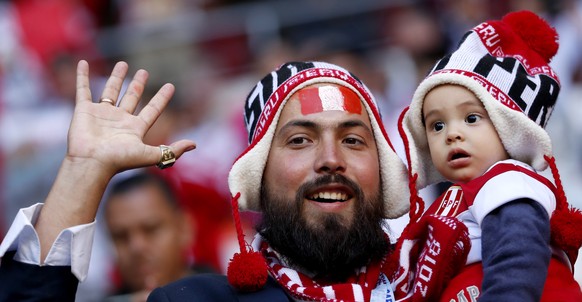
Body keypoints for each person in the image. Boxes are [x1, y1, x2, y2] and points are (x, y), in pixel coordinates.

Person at [0, 59, 411, 301]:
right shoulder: (193, 301)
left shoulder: (445, 279)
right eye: (300, 140)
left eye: (353, 140)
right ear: (258, 178)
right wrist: (83, 170)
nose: (331, 159)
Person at [394, 10, 582, 301]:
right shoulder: (456, 198)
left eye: (471, 118)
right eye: (437, 125)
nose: (451, 134)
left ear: (509, 127)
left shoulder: (508, 182)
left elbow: (518, 259)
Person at [102, 169, 214, 302]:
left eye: (151, 229)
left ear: (184, 228)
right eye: (121, 236)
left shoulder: (225, 294)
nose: (136, 247)